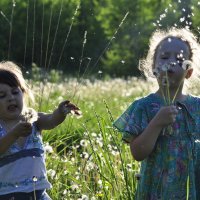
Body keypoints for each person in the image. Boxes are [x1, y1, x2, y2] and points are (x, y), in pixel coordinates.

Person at [113, 27, 200, 199]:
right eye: (165, 57)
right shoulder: (144, 107)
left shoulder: (197, 107)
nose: (171, 62)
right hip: (156, 190)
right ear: (153, 67)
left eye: (180, 58)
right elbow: (138, 153)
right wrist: (157, 123)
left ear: (188, 71)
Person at [0, 61, 81, 200]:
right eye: (2, 95)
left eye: (15, 92)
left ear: (24, 93)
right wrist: (14, 133)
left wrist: (60, 112)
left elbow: (51, 120)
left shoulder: (32, 117)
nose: (11, 98)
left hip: (38, 194)